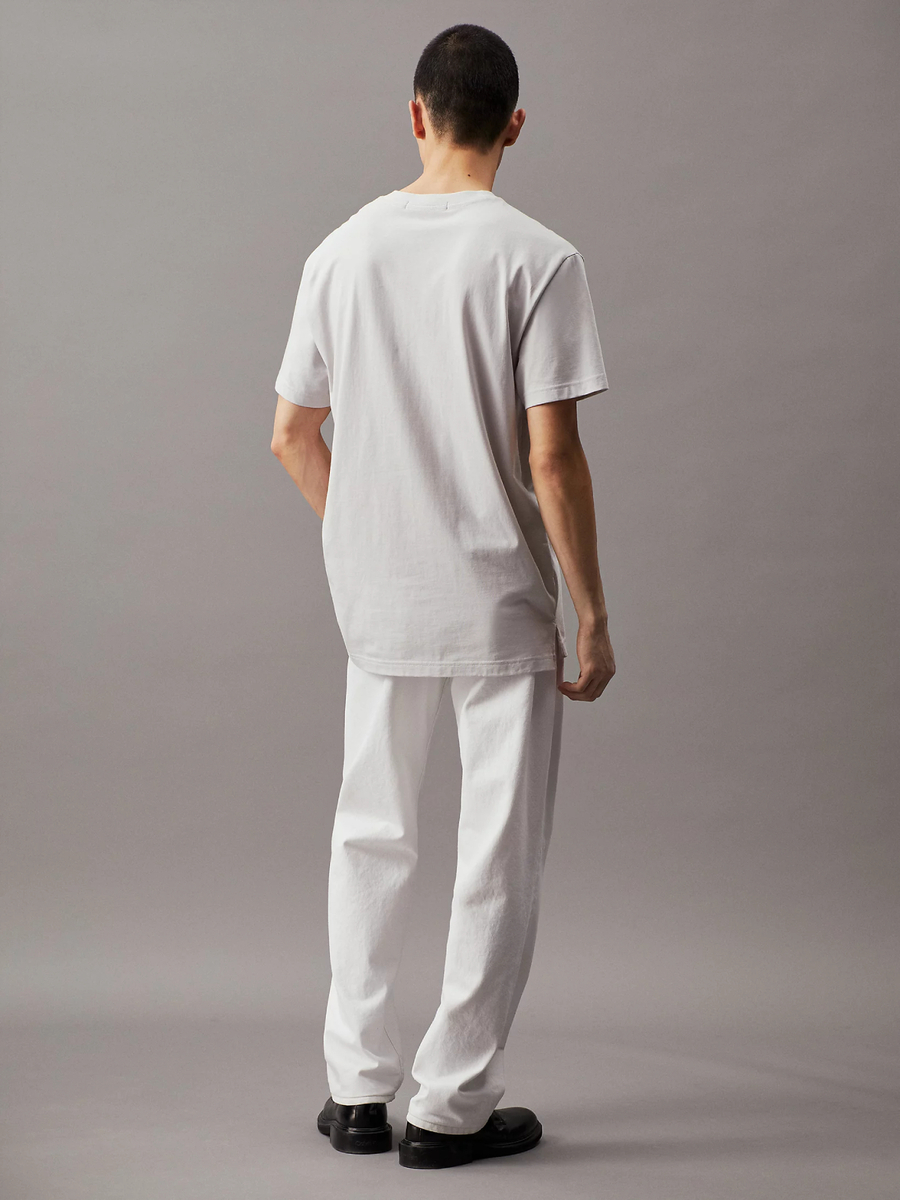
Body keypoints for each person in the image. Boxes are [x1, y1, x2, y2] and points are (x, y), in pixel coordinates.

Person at [270, 22, 615, 1171]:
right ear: (514, 124)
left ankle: (356, 1093)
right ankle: (451, 1109)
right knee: (495, 856)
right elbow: (553, 458)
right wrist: (594, 611)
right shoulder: (541, 258)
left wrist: (368, 537)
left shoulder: (340, 251)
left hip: (381, 602)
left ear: (415, 114)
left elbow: (291, 435)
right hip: (500, 601)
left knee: (370, 836)